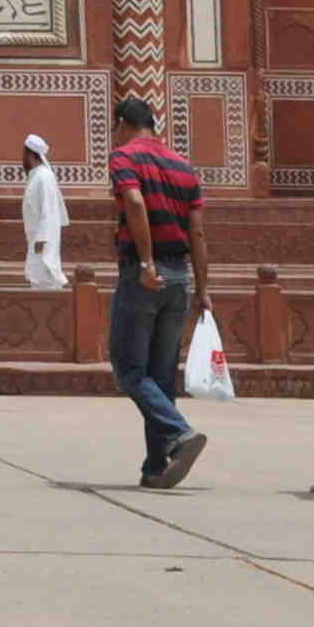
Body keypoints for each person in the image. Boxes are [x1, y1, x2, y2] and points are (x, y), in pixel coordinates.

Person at [109, 95, 205, 489]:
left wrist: (147, 263)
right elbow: (197, 231)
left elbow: (134, 201)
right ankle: (155, 465)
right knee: (160, 376)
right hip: (180, 276)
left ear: (123, 123)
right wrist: (203, 288)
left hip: (143, 274)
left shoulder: (124, 158)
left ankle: (179, 434)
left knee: (129, 369)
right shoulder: (183, 165)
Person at [18, 134, 68, 289]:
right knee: (38, 280)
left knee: (45, 281)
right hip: (36, 240)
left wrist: (42, 239)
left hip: (42, 243)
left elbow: (49, 212)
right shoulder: (37, 176)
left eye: (23, 153)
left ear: (29, 154)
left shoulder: (44, 177)